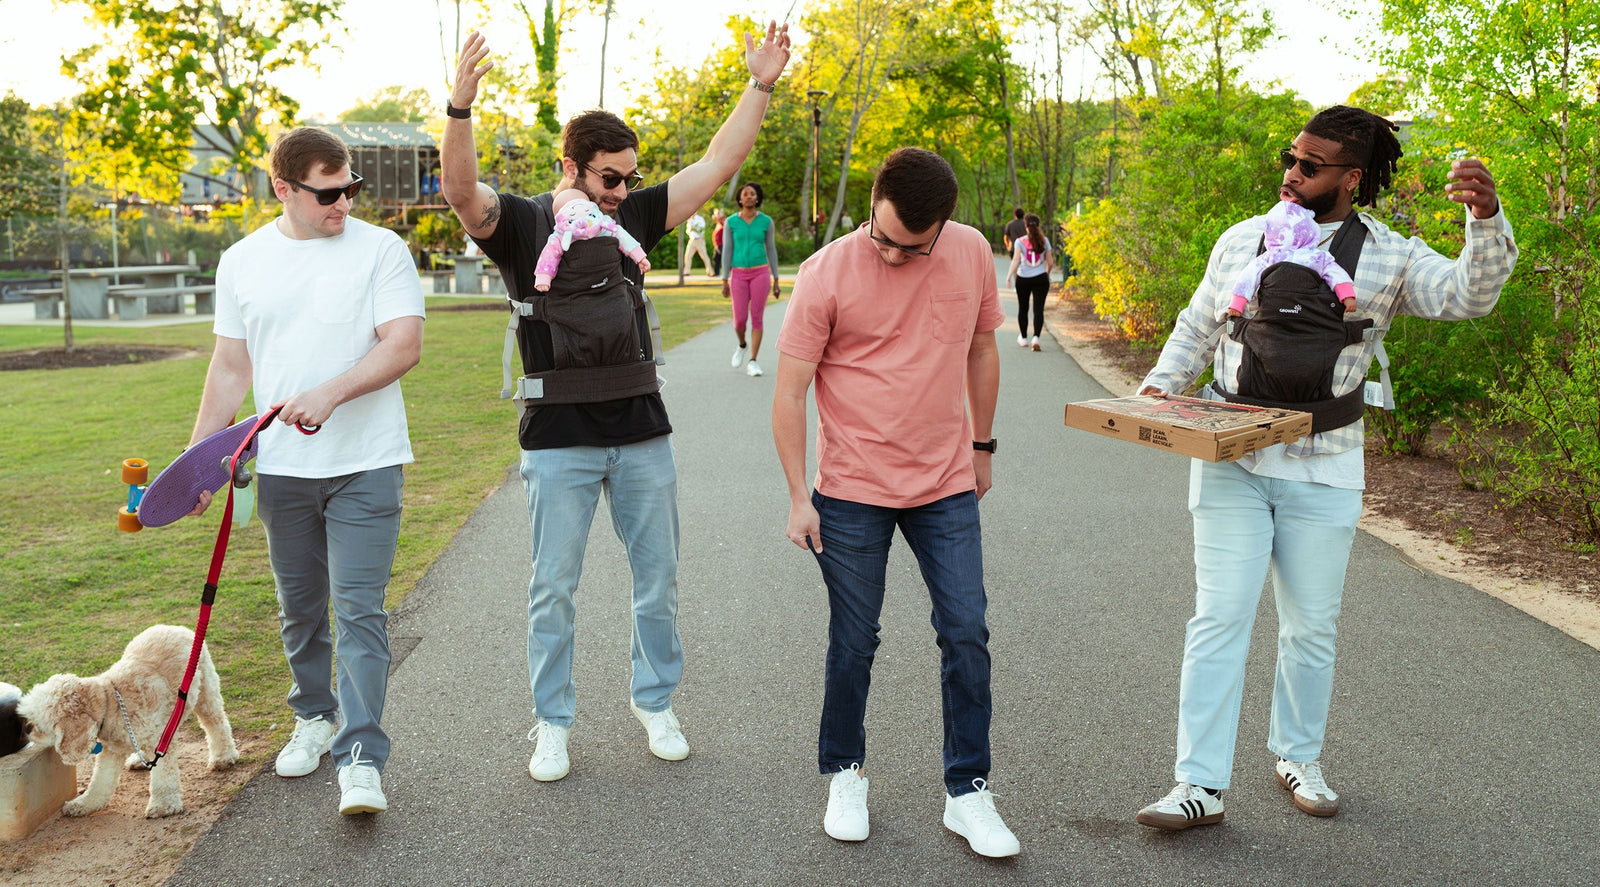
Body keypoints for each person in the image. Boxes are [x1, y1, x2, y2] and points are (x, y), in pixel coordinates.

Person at [1133, 105, 1517, 830]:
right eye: (1290, 157)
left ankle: (1297, 755)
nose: (1292, 171)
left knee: (1311, 626)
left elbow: (1469, 296)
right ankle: (1198, 784)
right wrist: (1159, 387)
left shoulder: (1391, 255)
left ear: (1352, 177)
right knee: (1219, 616)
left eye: (1310, 165)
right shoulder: (1244, 238)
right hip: (1232, 458)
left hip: (1327, 465)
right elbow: (1198, 322)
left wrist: (1486, 220)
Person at [441, 24, 791, 783]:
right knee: (552, 589)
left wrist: (759, 84)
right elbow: (461, 193)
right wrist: (459, 109)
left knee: (658, 578)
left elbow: (718, 163)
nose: (623, 192)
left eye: (630, 178)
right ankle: (553, 723)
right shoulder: (526, 223)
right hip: (557, 436)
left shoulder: (631, 218)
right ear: (571, 166)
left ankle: (655, 702)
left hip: (640, 430)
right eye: (608, 179)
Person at [773, 147, 1019, 859]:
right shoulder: (826, 272)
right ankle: (845, 771)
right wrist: (798, 497)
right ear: (872, 202)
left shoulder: (971, 251)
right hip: (849, 492)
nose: (893, 255)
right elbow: (789, 393)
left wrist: (983, 447)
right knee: (854, 642)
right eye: (882, 238)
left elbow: (980, 349)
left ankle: (968, 790)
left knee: (966, 631)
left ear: (942, 226)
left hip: (944, 482)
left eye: (912, 247)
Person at [185, 126, 425, 816]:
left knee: (358, 610)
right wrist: (199, 461)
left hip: (367, 462)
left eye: (350, 187)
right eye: (328, 193)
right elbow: (231, 365)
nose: (344, 202)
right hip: (283, 469)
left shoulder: (381, 249)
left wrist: (330, 391)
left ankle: (360, 757)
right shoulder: (242, 261)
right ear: (283, 189)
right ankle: (314, 716)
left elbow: (403, 345)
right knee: (300, 611)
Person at [1226, 199, 1356, 317]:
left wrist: (1238, 301)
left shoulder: (1270, 258)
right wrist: (1346, 295)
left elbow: (1248, 278)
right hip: (1297, 312)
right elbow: (1336, 273)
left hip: (1293, 311)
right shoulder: (1315, 257)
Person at [720, 182, 781, 377]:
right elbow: (727, 250)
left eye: (752, 194)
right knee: (739, 320)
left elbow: (771, 249)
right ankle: (742, 345)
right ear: (740, 199)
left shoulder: (766, 222)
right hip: (738, 274)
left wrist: (776, 279)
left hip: (760, 273)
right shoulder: (731, 222)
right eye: (745, 194)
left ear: (757, 198)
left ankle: (753, 361)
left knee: (756, 317)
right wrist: (724, 279)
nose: (748, 196)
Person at [534, 189, 651, 290]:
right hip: (578, 282)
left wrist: (639, 256)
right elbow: (549, 255)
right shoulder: (560, 237)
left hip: (607, 278)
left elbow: (622, 236)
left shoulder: (602, 225)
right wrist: (543, 277)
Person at [1005, 212, 1054, 351]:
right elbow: (1050, 262)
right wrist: (1047, 274)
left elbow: (1016, 260)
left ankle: (1024, 338)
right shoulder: (1045, 241)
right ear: (1038, 226)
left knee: (1023, 308)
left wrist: (1009, 276)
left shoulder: (1020, 241)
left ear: (1026, 226)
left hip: (1023, 279)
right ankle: (1036, 338)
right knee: (1038, 309)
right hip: (1040, 278)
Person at [684, 209, 713, 277]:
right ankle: (687, 271)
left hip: (699, 240)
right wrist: (690, 229)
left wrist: (693, 228)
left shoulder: (700, 219)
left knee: (704, 256)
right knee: (687, 256)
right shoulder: (689, 220)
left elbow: (701, 228)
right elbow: (687, 231)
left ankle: (709, 271)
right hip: (692, 240)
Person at [710, 207, 726, 276]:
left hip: (722, 244)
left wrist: (720, 217)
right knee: (716, 258)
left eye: (718, 214)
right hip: (718, 244)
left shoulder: (724, 221)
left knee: (724, 258)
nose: (716, 215)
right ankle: (716, 273)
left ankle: (728, 272)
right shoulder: (718, 223)